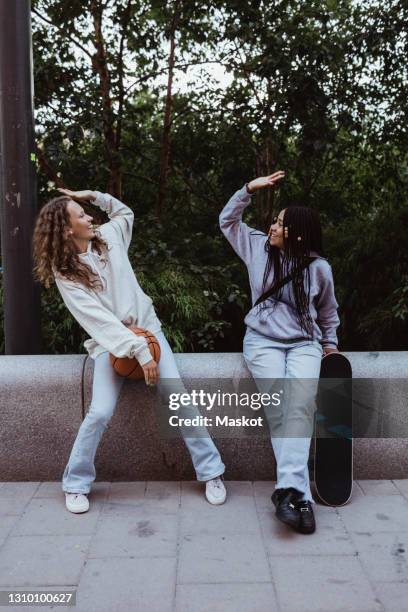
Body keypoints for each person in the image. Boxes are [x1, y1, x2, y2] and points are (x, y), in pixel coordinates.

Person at [32, 188, 226, 513]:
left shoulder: (108, 237)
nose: (89, 217)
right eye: (81, 215)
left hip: (149, 331)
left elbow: (125, 214)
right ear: (67, 230)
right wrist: (138, 350)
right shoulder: (65, 272)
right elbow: (98, 322)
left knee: (177, 395)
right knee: (100, 412)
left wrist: (93, 195)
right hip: (110, 345)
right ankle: (76, 484)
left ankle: (212, 473)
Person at [219, 171, 340, 534]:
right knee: (279, 408)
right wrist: (247, 189)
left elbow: (328, 312)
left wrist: (330, 346)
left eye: (279, 224)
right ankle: (300, 496)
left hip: (304, 343)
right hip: (262, 341)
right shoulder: (256, 247)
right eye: (273, 221)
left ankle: (288, 493)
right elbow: (227, 220)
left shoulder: (319, 268)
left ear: (297, 233)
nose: (271, 226)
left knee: (299, 406)